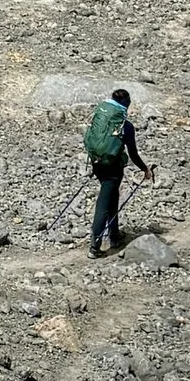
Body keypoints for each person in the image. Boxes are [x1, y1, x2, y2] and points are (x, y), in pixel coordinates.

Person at [84, 87, 153, 256]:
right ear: (126, 104)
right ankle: (95, 246)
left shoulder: (100, 119)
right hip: (113, 168)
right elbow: (133, 154)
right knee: (104, 203)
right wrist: (145, 169)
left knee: (112, 197)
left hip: (97, 164)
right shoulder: (126, 126)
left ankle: (114, 235)